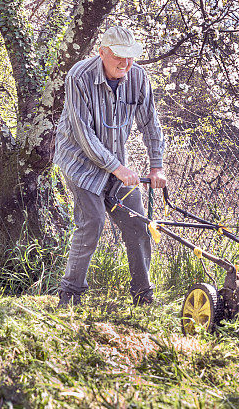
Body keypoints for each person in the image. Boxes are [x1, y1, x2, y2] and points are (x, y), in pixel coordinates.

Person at [54, 25, 167, 308]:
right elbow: (83, 134)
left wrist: (157, 166)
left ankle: (144, 296)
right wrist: (116, 168)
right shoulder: (78, 76)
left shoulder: (137, 77)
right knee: (92, 221)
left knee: (137, 224)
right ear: (102, 52)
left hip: (117, 161)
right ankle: (70, 296)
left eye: (130, 57)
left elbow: (150, 123)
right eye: (119, 56)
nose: (125, 63)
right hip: (79, 159)